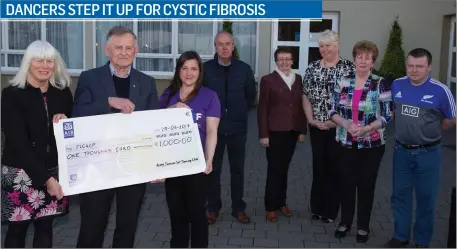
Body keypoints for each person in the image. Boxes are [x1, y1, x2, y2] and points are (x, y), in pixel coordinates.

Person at [72, 26, 159, 248]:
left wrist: (157, 165)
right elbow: (78, 114)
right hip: (97, 165)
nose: (123, 52)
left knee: (127, 228)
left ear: (136, 50)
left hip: (133, 166)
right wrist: (108, 102)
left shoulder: (147, 82)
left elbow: (153, 126)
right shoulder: (89, 78)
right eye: (118, 47)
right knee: (92, 227)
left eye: (128, 48)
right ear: (107, 50)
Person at [1, 40, 73, 248]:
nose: (44, 66)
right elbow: (17, 143)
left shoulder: (62, 92)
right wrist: (47, 179)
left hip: (53, 168)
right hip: (21, 173)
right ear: (28, 64)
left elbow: (72, 128)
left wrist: (66, 119)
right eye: (38, 60)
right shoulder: (11, 95)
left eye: (49, 61)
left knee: (45, 227)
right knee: (17, 229)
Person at [384, 48, 456, 248]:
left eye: (419, 66)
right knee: (400, 195)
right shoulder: (397, 84)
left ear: (429, 67)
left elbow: (451, 119)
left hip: (428, 154)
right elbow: (392, 110)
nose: (414, 70)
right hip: (401, 152)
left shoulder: (441, 91)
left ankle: (422, 241)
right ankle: (401, 236)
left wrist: (434, 131)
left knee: (426, 199)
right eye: (410, 66)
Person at [328, 40, 393, 243]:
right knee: (346, 183)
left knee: (366, 185)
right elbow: (331, 110)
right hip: (345, 141)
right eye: (360, 57)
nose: (363, 61)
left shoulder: (380, 83)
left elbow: (388, 115)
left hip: (371, 144)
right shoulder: (343, 80)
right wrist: (346, 124)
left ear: (373, 61)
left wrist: (365, 128)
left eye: (368, 57)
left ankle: (363, 226)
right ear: (354, 59)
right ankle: (345, 221)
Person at [157, 51, 221, 248]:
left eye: (193, 68)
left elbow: (211, 131)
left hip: (196, 165)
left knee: (197, 214)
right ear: (178, 71)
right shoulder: (168, 95)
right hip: (172, 164)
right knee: (176, 214)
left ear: (199, 71)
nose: (188, 73)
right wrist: (171, 109)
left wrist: (209, 160)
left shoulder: (209, 96)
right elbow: (155, 125)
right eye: (184, 68)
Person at [302, 30, 355, 223]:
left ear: (337, 46)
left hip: (339, 127)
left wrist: (333, 122)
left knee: (335, 168)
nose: (324, 49)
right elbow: (305, 95)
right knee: (319, 167)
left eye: (328, 45)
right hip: (316, 127)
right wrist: (311, 120)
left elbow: (352, 101)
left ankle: (330, 211)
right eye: (322, 46)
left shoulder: (349, 68)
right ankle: (316, 208)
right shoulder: (313, 67)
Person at [204, 31, 256, 224]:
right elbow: (200, 95)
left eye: (228, 44)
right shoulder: (206, 69)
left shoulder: (244, 69)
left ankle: (238, 208)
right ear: (215, 47)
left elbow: (251, 95)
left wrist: (239, 111)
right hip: (213, 129)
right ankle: (212, 208)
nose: (224, 48)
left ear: (233, 46)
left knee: (237, 170)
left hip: (237, 128)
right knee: (212, 170)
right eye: (220, 44)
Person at [257, 47, 306, 222]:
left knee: (284, 169)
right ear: (276, 61)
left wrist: (302, 131)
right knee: (274, 169)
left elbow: (301, 106)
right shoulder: (267, 80)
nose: (284, 62)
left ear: (293, 61)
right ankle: (270, 206)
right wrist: (263, 133)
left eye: (287, 59)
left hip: (292, 131)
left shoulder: (298, 79)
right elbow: (262, 108)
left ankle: (281, 203)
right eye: (280, 59)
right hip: (274, 132)